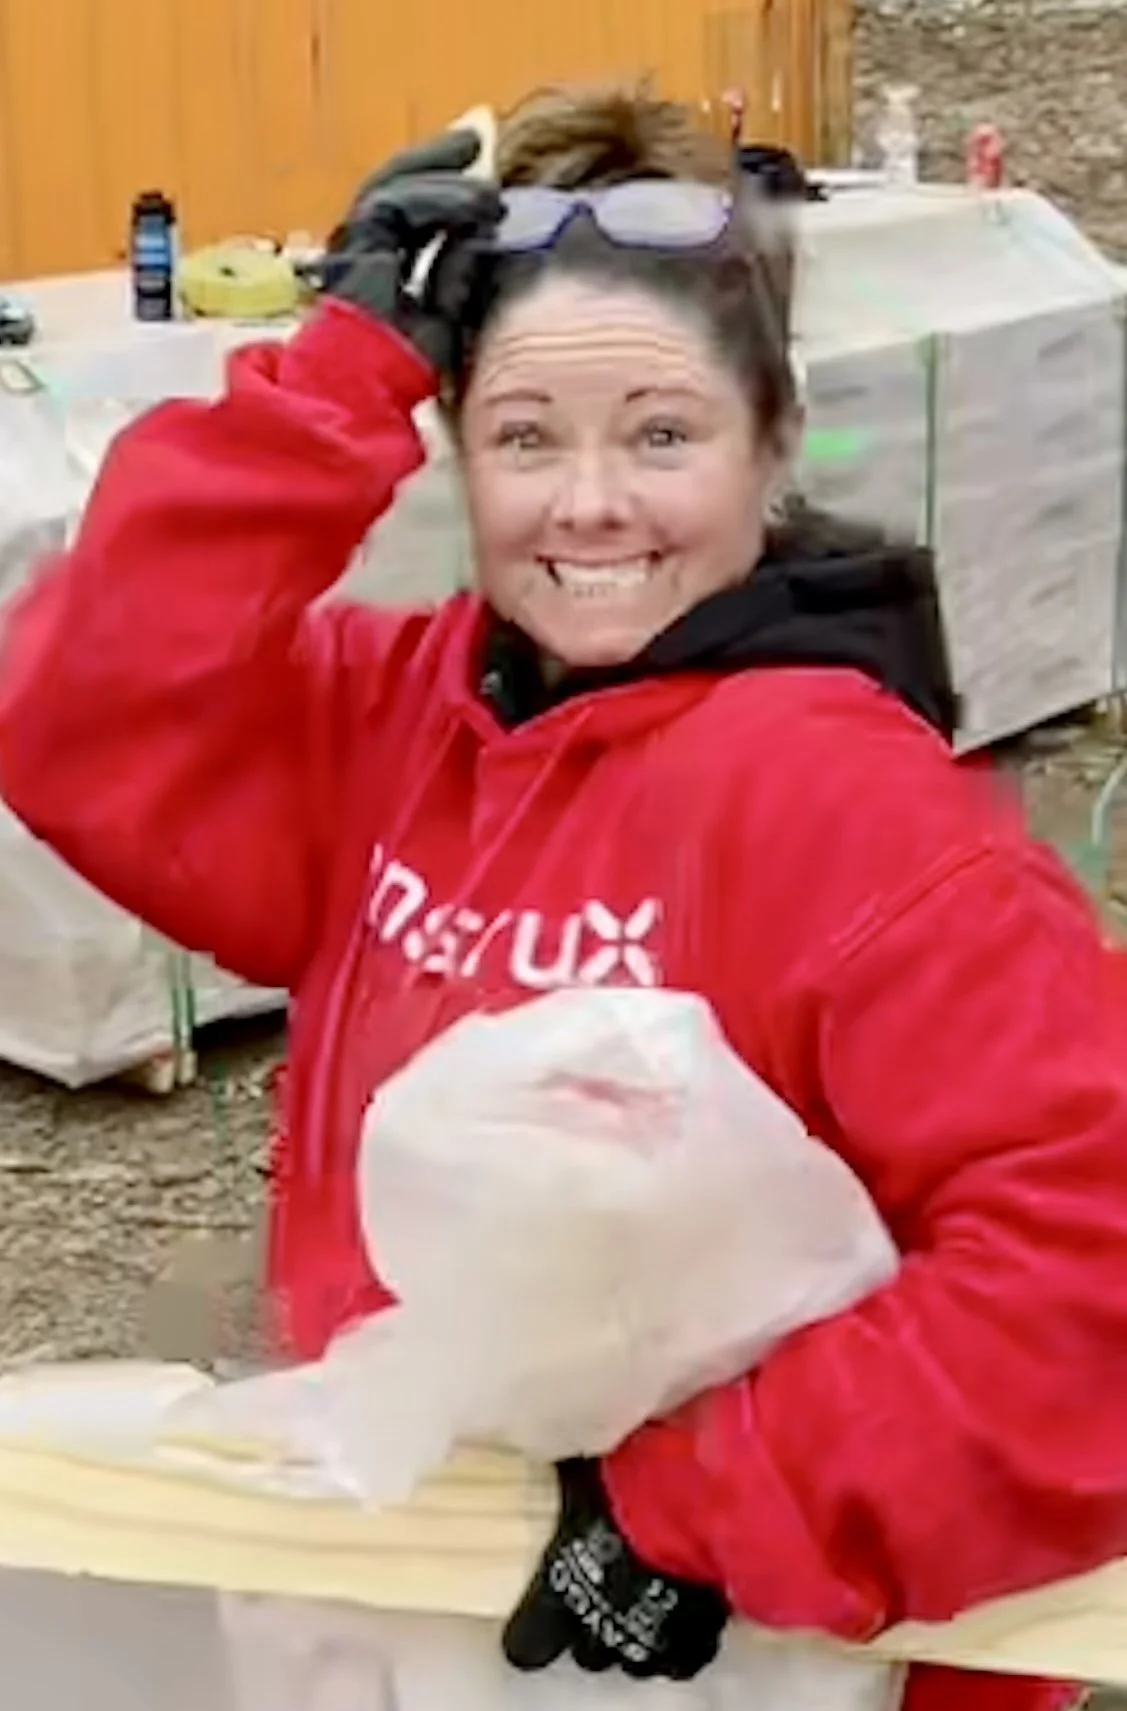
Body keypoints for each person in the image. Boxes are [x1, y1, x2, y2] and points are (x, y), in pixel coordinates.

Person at [0, 82, 1123, 1711]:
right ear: (456, 447)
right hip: (428, 1614)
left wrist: (706, 1509)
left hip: (744, 1654)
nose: (589, 503)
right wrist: (332, 382)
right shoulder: (399, 724)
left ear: (773, 443)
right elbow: (80, 716)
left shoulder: (858, 814)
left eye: (661, 433)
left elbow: (1087, 1266)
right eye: (526, 436)